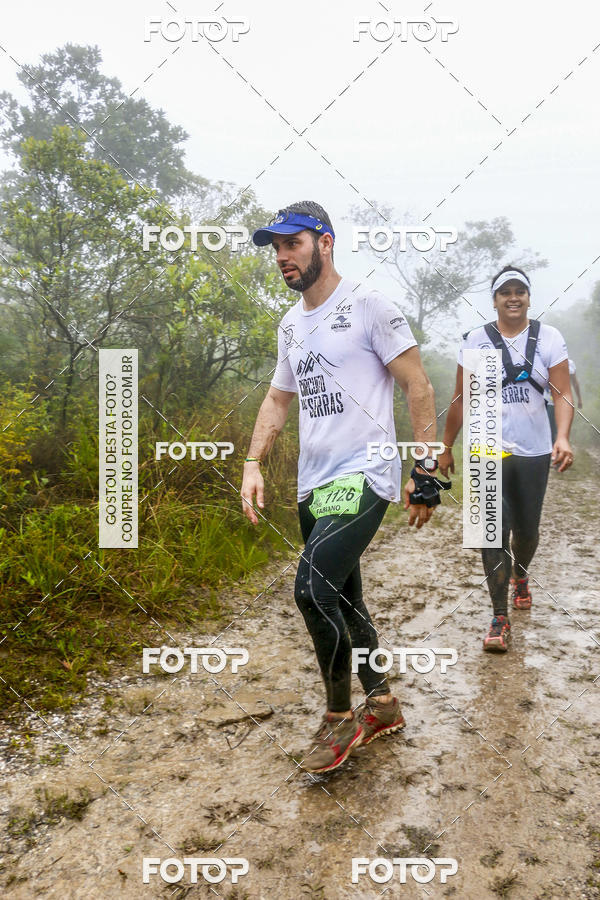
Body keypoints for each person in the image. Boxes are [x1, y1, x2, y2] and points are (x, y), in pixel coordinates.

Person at [241, 200, 444, 773]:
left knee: (310, 590)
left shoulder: (370, 306)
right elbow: (279, 398)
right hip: (315, 484)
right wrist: (253, 462)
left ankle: (338, 719)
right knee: (344, 597)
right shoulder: (290, 324)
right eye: (276, 248)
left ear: (324, 243)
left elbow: (419, 386)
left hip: (365, 473)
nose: (282, 257)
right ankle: (382, 703)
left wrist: (425, 470)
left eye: (293, 244)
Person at [439, 266, 574, 652]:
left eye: (520, 291)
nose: (513, 297)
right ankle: (499, 617)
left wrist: (562, 436)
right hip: (485, 448)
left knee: (527, 531)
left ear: (529, 297)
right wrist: (447, 446)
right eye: (505, 292)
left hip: (533, 449)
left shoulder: (549, 338)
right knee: (490, 533)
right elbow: (461, 398)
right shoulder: (476, 340)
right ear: (494, 299)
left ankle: (522, 572)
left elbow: (562, 394)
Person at [545, 358, 582, 443]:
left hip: (564, 402)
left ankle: (560, 449)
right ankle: (553, 452)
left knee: (561, 429)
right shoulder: (546, 362)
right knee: (551, 429)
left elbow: (575, 383)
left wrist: (579, 399)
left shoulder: (570, 363)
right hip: (549, 402)